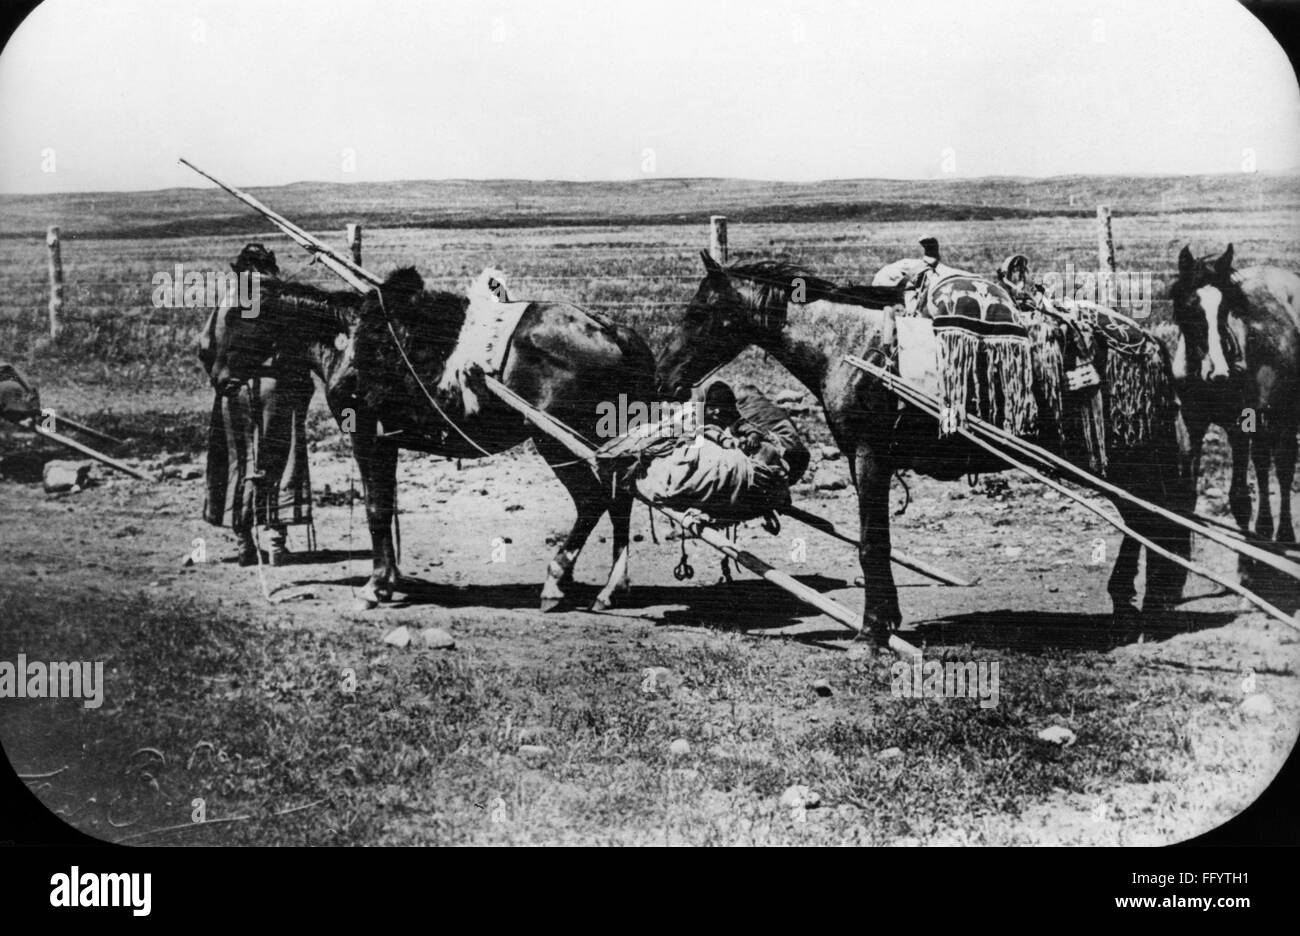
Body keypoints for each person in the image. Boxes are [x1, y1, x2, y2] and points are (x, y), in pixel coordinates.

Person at [199, 244, 315, 566]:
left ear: (242, 268)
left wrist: (219, 378)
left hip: (233, 392)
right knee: (281, 460)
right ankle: (276, 543)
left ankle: (244, 543)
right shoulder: (283, 299)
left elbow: (204, 344)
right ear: (271, 267)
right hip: (275, 387)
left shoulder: (230, 299)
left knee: (241, 462)